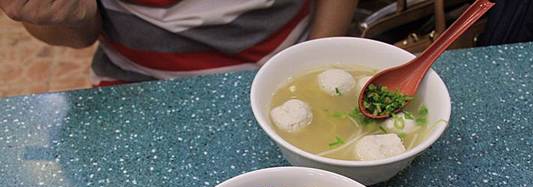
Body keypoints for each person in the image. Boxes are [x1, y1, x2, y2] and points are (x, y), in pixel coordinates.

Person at [0, 0, 357, 86]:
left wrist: (313, 62)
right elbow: (78, 36)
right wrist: (68, 14)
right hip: (132, 82)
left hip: (286, 65)